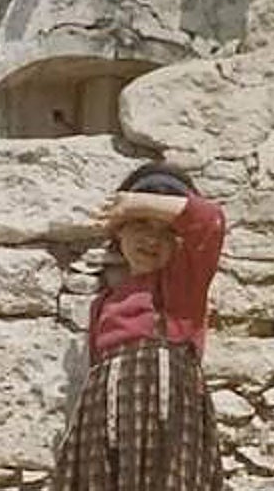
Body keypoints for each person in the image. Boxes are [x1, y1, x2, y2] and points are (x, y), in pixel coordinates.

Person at [53, 162, 226, 491]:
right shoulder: (102, 304)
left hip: (164, 420)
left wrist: (135, 204)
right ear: (119, 232)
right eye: (140, 225)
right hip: (107, 426)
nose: (151, 238)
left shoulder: (180, 288)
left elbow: (209, 221)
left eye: (165, 230)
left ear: (180, 243)